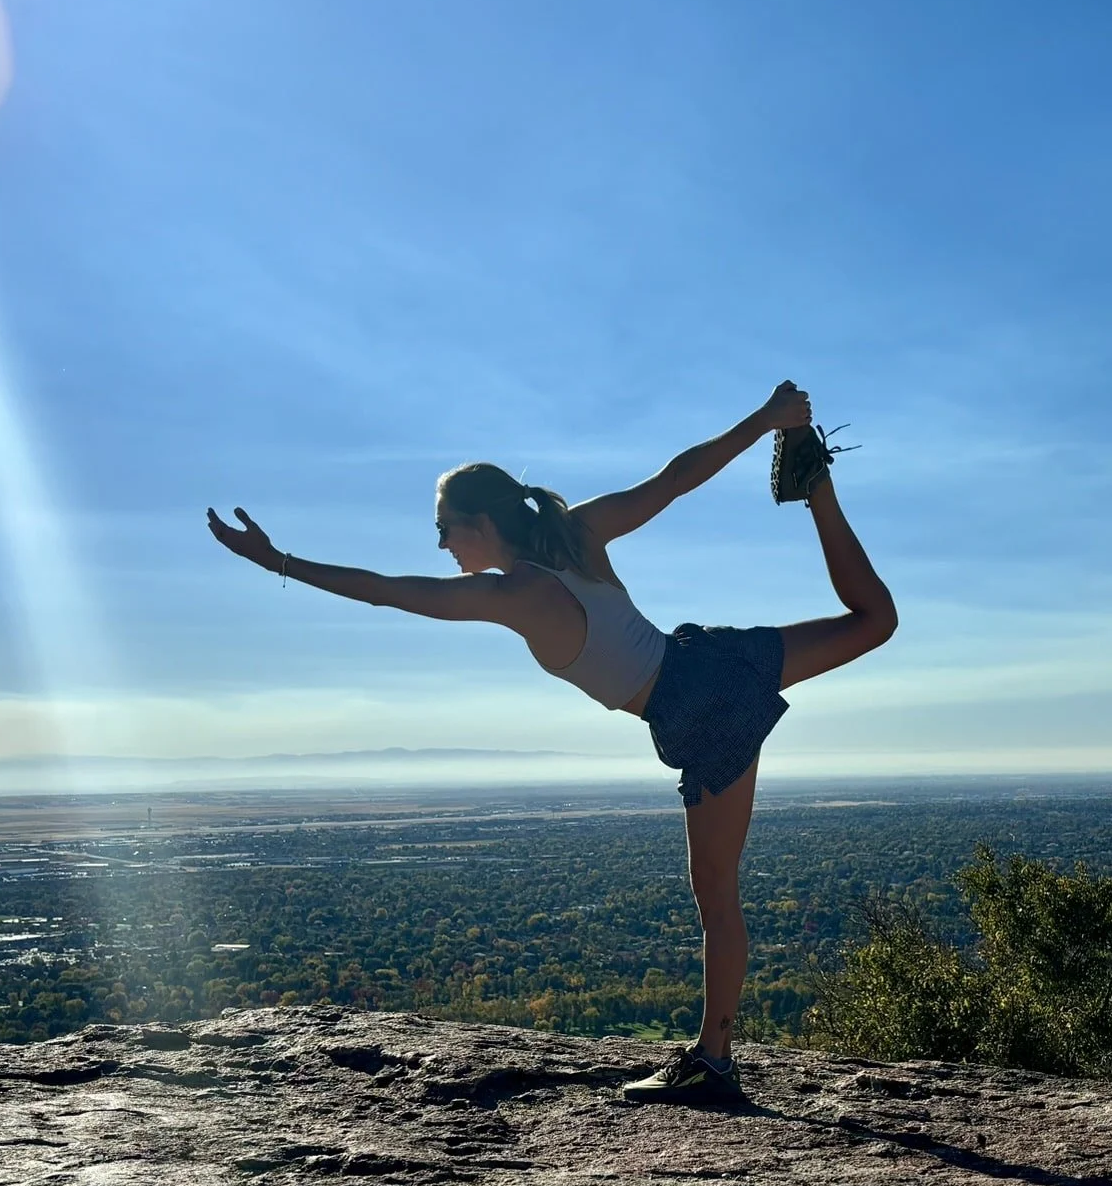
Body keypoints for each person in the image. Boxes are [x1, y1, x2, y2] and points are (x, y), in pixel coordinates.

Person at [207, 382, 897, 1104]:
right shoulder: (578, 534)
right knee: (873, 621)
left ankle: (713, 1059)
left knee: (716, 894)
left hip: (694, 705)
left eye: (444, 527)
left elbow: (386, 590)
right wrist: (763, 422)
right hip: (708, 661)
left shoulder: (513, 594)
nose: (441, 544)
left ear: (479, 523)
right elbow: (674, 480)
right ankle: (813, 483)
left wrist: (279, 562)